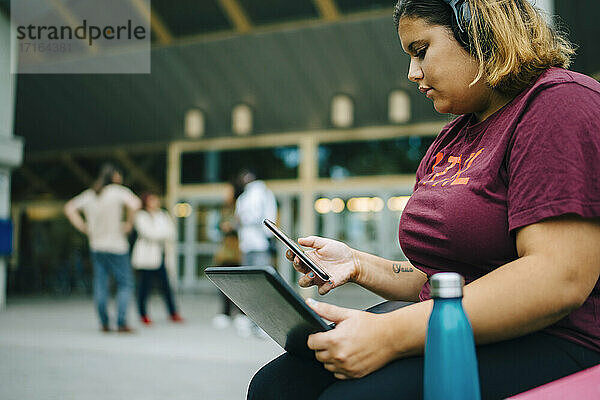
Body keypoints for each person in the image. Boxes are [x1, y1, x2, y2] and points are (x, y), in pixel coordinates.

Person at [248, 1, 600, 399]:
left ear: (480, 31)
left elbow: (558, 279)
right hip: (449, 321)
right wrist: (357, 264)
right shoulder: (453, 136)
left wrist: (390, 334)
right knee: (275, 386)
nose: (412, 73)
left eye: (421, 50)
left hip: (558, 339)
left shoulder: (561, 103)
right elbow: (441, 278)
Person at [64, 163, 141, 333]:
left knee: (101, 284)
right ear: (115, 176)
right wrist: (128, 224)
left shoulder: (91, 194)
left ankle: (104, 322)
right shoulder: (118, 191)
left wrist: (84, 227)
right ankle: (121, 322)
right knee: (125, 283)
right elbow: (135, 204)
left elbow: (69, 208)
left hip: (97, 246)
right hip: (117, 246)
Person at [131, 193, 183, 325]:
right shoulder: (141, 216)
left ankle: (173, 312)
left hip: (160, 257)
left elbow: (172, 232)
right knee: (144, 287)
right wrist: (162, 233)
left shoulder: (162, 215)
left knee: (166, 286)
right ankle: (143, 314)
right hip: (146, 259)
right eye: (152, 199)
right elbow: (148, 233)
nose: (155, 202)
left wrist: (160, 234)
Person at [211, 183, 244, 330]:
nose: (225, 194)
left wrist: (231, 226)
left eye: (227, 191)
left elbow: (241, 224)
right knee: (223, 284)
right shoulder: (222, 209)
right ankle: (225, 313)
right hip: (224, 253)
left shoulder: (241, 206)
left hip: (237, 252)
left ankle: (241, 314)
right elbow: (217, 226)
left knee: (239, 285)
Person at [234, 169, 278, 267]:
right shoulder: (245, 196)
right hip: (252, 243)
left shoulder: (259, 194)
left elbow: (256, 217)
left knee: (254, 276)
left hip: (258, 243)